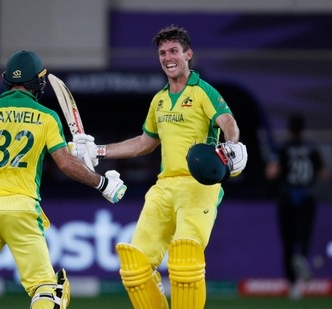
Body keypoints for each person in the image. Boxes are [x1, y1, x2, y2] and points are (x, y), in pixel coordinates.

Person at [0, 50, 128, 309]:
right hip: (22, 210)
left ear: (8, 80)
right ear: (38, 82)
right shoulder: (46, 117)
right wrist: (102, 183)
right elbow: (65, 163)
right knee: (45, 288)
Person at [70, 25, 247, 309]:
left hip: (199, 186)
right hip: (164, 187)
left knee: (185, 260)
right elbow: (144, 143)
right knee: (135, 266)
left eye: (174, 51)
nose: (168, 57)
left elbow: (228, 123)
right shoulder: (159, 100)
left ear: (188, 54)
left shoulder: (203, 92)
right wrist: (99, 150)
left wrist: (232, 145)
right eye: (162, 53)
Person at [265, 114, 328, 299]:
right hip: (308, 197)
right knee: (304, 235)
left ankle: (293, 285)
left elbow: (271, 172)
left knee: (288, 242)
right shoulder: (312, 149)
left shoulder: (282, 148)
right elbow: (323, 173)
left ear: (289, 130)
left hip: (287, 198)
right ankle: (301, 256)